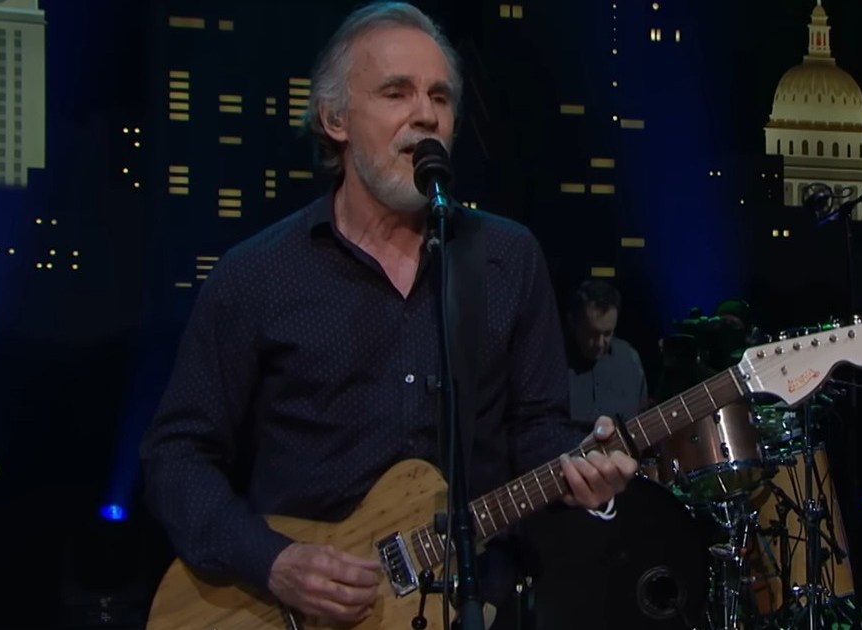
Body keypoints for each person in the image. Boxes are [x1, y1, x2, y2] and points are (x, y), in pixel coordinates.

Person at [139, 3, 636, 626]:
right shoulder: (257, 275)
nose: (426, 114)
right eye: (396, 92)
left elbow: (537, 429)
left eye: (440, 97)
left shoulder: (509, 259)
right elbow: (176, 454)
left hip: (474, 605)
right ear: (335, 119)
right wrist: (273, 561)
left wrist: (584, 469)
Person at [565, 279, 648, 426]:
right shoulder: (552, 364)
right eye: (591, 334)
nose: (599, 343)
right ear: (572, 322)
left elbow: (642, 418)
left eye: (608, 333)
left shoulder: (629, 360)